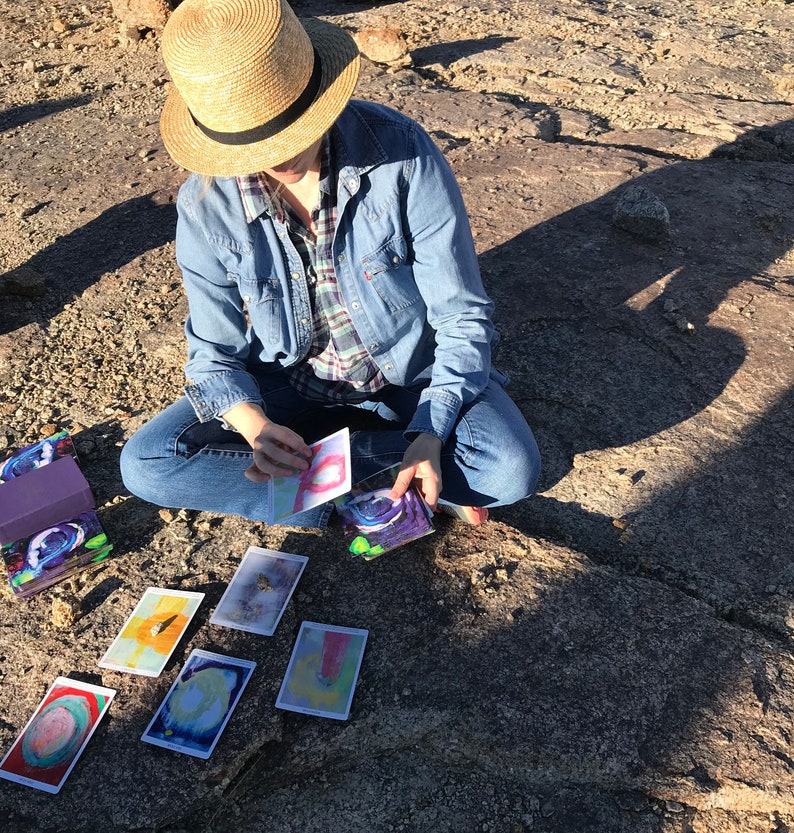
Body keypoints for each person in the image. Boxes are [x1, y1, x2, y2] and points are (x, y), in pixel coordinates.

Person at [120, 0, 541, 529]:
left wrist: (428, 431)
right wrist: (256, 431)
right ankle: (393, 483)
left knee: (509, 471)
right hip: (291, 382)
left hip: (411, 373)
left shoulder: (401, 153)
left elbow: (461, 317)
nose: (277, 156)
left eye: (289, 129)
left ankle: (333, 482)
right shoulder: (205, 205)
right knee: (147, 464)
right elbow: (213, 353)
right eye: (250, 143)